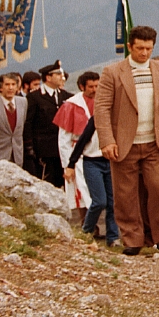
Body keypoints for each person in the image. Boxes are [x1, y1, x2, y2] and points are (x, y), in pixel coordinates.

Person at [93, 26, 159, 256]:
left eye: (149, 48)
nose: (144, 53)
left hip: (155, 142)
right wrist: (106, 140)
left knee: (158, 189)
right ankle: (132, 239)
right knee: (125, 193)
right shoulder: (112, 72)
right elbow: (102, 108)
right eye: (140, 48)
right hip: (124, 143)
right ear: (130, 46)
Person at [61, 71, 119, 247]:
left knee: (113, 202)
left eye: (97, 86)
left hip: (109, 160)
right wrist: (70, 164)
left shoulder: (110, 110)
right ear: (82, 87)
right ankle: (87, 229)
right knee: (99, 200)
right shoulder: (85, 112)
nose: (95, 90)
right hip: (91, 161)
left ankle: (113, 237)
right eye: (91, 87)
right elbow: (80, 141)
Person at [25, 60, 72, 186]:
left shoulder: (66, 96)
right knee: (47, 181)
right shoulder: (35, 97)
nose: (61, 77)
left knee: (63, 182)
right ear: (48, 77)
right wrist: (29, 146)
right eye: (57, 74)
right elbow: (28, 123)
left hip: (62, 147)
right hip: (43, 149)